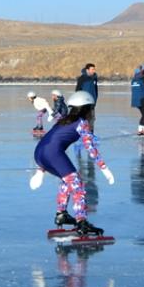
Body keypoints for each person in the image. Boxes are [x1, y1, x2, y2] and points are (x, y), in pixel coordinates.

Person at [29, 90, 114, 237]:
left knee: (67, 180)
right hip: (53, 154)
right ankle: (82, 222)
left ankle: (61, 213)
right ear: (87, 108)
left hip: (39, 153)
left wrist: (40, 169)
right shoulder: (82, 123)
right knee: (77, 184)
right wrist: (105, 169)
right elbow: (90, 148)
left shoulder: (64, 120)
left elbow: (50, 140)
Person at [130, 64, 144, 136]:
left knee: (143, 115)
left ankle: (140, 130)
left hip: (135, 100)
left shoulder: (134, 80)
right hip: (143, 99)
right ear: (142, 71)